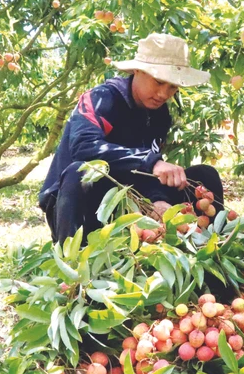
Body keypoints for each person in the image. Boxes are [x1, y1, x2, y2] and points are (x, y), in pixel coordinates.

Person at [38, 33, 223, 244]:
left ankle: (211, 247)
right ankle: (74, 258)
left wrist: (158, 200)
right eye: (159, 81)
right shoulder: (102, 99)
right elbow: (84, 146)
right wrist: (150, 162)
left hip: (132, 203)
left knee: (204, 176)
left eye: (172, 86)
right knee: (81, 172)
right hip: (79, 206)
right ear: (137, 71)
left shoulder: (160, 115)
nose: (164, 94)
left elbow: (143, 173)